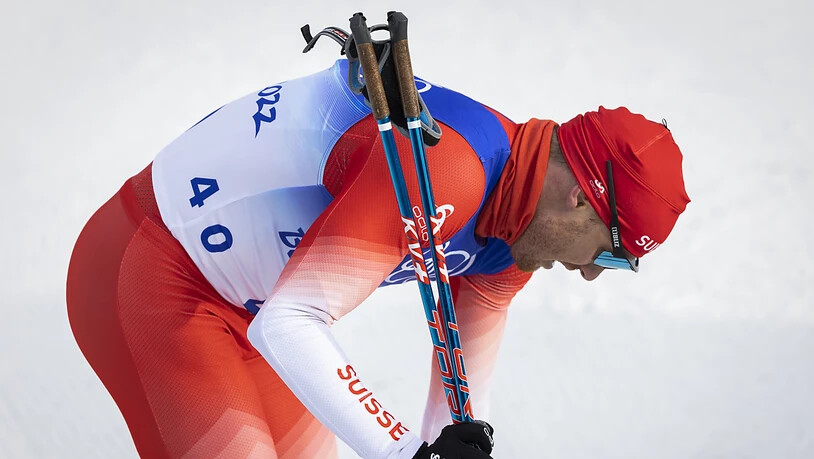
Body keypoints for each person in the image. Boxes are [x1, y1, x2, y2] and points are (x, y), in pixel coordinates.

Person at [66, 58, 690, 459]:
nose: (589, 273)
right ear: (581, 200)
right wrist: (402, 452)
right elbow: (291, 322)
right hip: (152, 273)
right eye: (610, 255)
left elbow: (459, 410)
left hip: (247, 309)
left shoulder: (514, 238)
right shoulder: (449, 171)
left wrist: (439, 449)